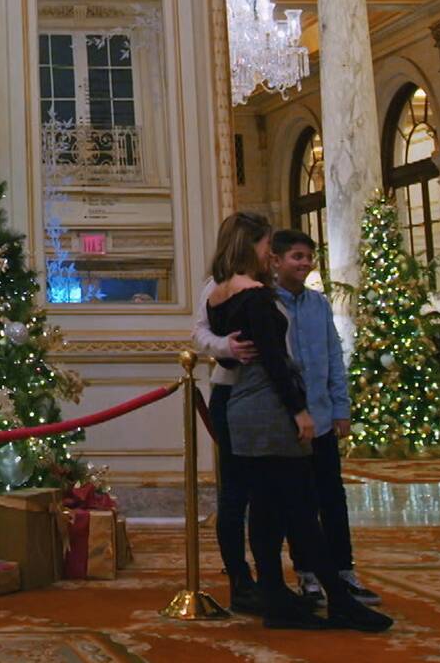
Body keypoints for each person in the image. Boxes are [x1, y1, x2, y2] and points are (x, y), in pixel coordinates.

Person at [207, 213, 393, 633]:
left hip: (243, 407)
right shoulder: (255, 296)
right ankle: (339, 600)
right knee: (302, 510)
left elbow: (227, 353)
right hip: (270, 409)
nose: (269, 254)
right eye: (266, 245)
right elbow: (276, 362)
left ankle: (277, 599)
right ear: (252, 246)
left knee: (269, 509)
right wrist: (299, 410)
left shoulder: (219, 295)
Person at [271, 229, 380, 606]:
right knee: (300, 502)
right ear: (277, 260)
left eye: (308, 257)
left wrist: (341, 408)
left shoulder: (318, 304)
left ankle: (343, 569)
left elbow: (334, 357)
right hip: (288, 421)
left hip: (321, 415)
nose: (303, 263)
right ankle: (307, 573)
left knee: (332, 496)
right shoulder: (267, 302)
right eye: (296, 256)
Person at [192, 260, 262, 613]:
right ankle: (240, 577)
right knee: (234, 493)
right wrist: (226, 347)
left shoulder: (268, 285)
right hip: (232, 391)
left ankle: (275, 577)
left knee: (271, 494)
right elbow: (201, 334)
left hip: (270, 393)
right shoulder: (217, 287)